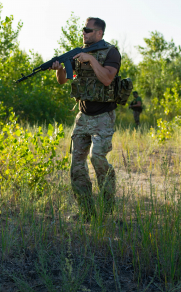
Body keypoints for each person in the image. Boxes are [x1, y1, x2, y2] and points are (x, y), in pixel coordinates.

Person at [51, 17, 121, 220]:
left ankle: (107, 210)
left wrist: (91, 60)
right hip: (83, 115)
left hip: (103, 116)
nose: (84, 33)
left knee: (97, 157)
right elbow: (65, 80)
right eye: (83, 30)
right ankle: (86, 212)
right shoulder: (78, 53)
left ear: (99, 33)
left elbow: (108, 79)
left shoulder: (110, 52)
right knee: (76, 164)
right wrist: (61, 68)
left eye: (88, 30)